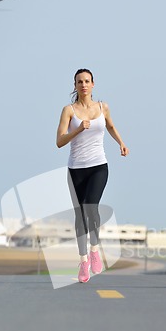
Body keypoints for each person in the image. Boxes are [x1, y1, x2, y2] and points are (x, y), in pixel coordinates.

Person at [56, 68, 129, 283]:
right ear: (75, 85)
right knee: (79, 216)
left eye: (87, 81)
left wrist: (122, 143)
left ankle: (95, 250)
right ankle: (84, 260)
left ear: (93, 84)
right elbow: (59, 142)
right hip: (75, 169)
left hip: (98, 166)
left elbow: (112, 126)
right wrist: (78, 129)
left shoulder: (102, 107)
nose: (84, 85)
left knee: (91, 207)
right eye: (80, 81)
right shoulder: (68, 111)